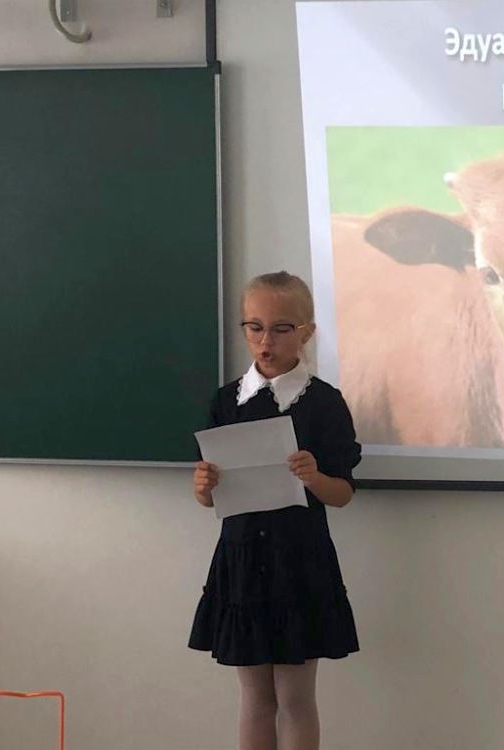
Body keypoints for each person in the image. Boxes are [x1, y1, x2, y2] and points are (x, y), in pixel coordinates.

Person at [188, 271, 361, 750]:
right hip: (242, 561)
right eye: (255, 327)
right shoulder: (227, 401)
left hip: (299, 562)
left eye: (281, 328)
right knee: (255, 699)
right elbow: (212, 497)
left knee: (295, 698)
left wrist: (314, 476)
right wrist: (203, 488)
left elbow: (343, 493)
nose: (265, 341)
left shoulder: (324, 403)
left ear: (305, 332)